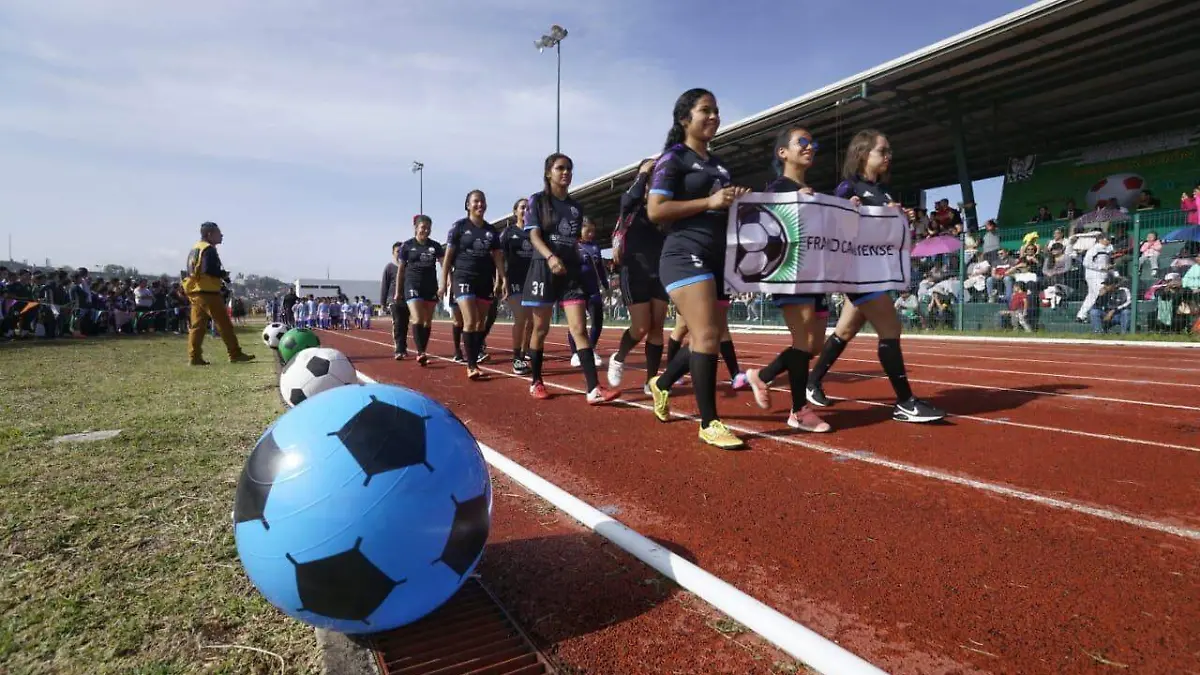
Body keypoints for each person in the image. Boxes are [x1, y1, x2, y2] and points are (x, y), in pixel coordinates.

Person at [804, 129, 944, 423]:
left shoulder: (884, 193)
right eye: (883, 151)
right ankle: (905, 402)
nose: (888, 156)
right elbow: (831, 226)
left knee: (844, 331)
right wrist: (849, 212)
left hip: (874, 271)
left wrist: (898, 219)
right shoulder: (847, 187)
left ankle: (810, 381)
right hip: (855, 273)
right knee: (890, 328)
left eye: (889, 151)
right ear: (863, 154)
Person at [644, 88, 749, 449]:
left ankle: (661, 383)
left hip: (718, 259)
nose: (714, 116)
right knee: (706, 336)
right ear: (684, 119)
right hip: (683, 254)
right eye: (706, 110)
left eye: (717, 110)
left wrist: (739, 203)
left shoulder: (720, 166)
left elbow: (722, 211)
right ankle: (710, 423)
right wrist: (711, 200)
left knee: (707, 338)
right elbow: (655, 210)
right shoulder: (673, 158)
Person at [744, 125, 831, 433]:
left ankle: (763, 376)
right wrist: (795, 200)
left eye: (812, 142)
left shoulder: (812, 193)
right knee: (803, 342)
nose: (810, 147)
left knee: (815, 345)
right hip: (791, 274)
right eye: (802, 142)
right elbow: (762, 222)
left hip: (816, 275)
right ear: (783, 152)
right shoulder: (778, 187)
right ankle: (798, 410)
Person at [522, 152, 621, 405]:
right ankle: (536, 381)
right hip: (544, 269)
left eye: (569, 169)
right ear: (548, 173)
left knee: (579, 329)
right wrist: (550, 257)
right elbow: (534, 236)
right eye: (560, 168)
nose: (565, 173)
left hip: (570, 274)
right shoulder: (538, 201)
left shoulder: (576, 208)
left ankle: (593, 388)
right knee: (541, 329)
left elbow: (574, 242)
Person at [607, 158, 669, 394]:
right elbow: (629, 198)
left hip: (660, 272)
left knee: (657, 328)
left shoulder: (663, 205)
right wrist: (643, 173)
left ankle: (651, 381)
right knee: (641, 326)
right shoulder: (631, 204)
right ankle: (619, 356)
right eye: (651, 175)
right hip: (634, 271)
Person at [441, 190, 506, 380]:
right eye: (476, 201)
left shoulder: (491, 231)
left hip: (484, 280)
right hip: (463, 277)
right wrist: (443, 282)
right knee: (470, 320)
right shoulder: (459, 227)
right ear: (468, 205)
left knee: (479, 323)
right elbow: (448, 258)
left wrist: (502, 279)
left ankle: (474, 359)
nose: (480, 205)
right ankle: (471, 366)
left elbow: (498, 258)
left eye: (483, 201)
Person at [182, 221, 254, 365]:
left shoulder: (195, 248)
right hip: (208, 292)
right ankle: (235, 353)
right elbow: (208, 269)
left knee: (197, 326)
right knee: (224, 323)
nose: (221, 235)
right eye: (218, 233)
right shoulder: (208, 249)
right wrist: (222, 274)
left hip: (195, 291)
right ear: (210, 234)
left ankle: (194, 357)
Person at [395, 214, 444, 366]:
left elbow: (444, 265)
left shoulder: (435, 246)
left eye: (429, 228)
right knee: (417, 318)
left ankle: (422, 349)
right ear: (416, 228)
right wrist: (398, 291)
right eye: (423, 227)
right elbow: (401, 270)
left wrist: (444, 284)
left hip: (430, 286)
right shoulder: (407, 246)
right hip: (412, 284)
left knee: (427, 321)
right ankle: (421, 352)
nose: (426, 230)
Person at [566, 218, 608, 366]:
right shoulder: (572, 246)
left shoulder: (595, 247)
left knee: (598, 320)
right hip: (576, 290)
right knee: (577, 323)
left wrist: (605, 283)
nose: (591, 234)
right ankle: (575, 353)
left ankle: (591, 348)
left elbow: (600, 268)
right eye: (587, 230)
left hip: (593, 289)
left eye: (593, 231)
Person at [500, 198, 536, 375]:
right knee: (521, 318)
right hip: (514, 280)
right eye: (522, 207)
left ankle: (525, 351)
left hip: (533, 280)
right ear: (515, 212)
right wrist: (501, 280)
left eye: (528, 208)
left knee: (532, 322)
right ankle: (517, 358)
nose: (525, 210)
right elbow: (499, 258)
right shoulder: (508, 233)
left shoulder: (535, 232)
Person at [380, 241, 410, 359]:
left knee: (405, 324)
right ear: (393, 253)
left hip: (407, 299)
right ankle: (398, 349)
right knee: (397, 323)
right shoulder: (389, 267)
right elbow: (384, 285)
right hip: (393, 299)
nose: (399, 254)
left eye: (402, 252)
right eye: (398, 252)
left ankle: (403, 347)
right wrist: (383, 303)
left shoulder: (408, 267)